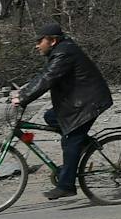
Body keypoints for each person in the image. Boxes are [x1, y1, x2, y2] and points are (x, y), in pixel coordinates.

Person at [13, 22, 113, 200]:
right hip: (77, 102)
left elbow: (48, 78)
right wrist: (22, 92)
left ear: (52, 41)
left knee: (70, 143)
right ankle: (84, 143)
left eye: (39, 41)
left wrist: (23, 98)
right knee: (50, 117)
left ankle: (66, 186)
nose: (37, 45)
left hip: (88, 103)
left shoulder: (65, 52)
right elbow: (44, 75)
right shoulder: (60, 51)